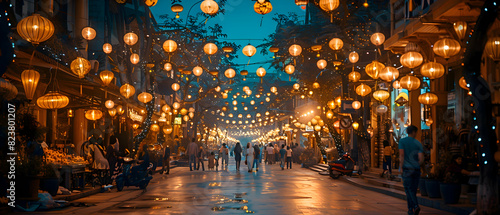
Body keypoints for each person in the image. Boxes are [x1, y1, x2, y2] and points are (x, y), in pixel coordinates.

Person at [399, 125, 424, 215]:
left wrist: (401, 167)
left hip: (406, 169)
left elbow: (401, 155)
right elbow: (421, 159)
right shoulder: (418, 143)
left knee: (408, 189)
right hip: (416, 169)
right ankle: (410, 209)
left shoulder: (402, 141)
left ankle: (415, 206)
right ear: (413, 132)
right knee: (412, 189)